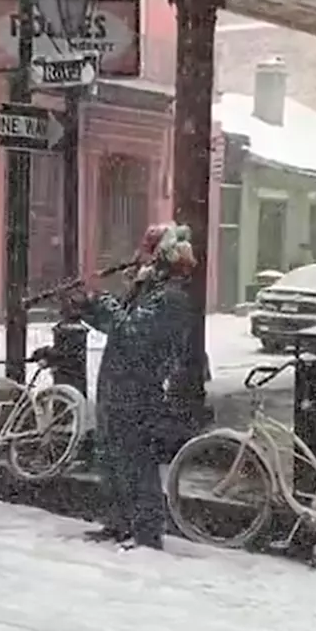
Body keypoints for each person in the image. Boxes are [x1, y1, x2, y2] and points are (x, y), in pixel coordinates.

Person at [71, 223, 195, 551]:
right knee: (110, 455)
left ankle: (145, 532)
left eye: (146, 251)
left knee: (136, 459)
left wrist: (103, 300)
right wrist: (86, 305)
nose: (138, 258)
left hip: (140, 387)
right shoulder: (148, 291)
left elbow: (132, 333)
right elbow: (116, 327)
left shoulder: (172, 298)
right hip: (118, 382)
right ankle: (117, 522)